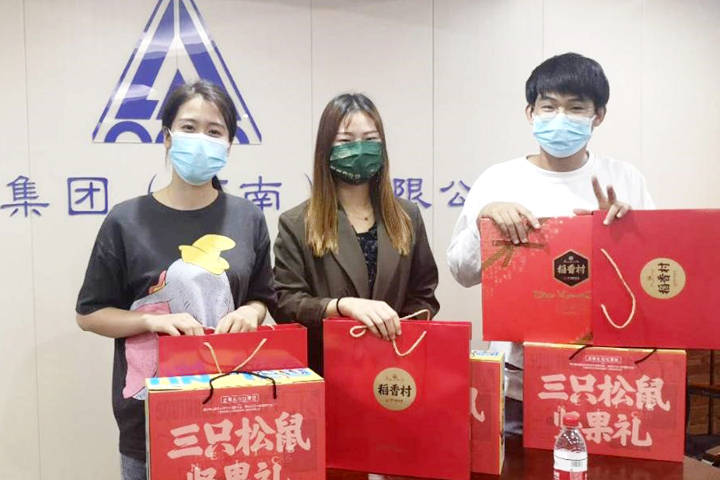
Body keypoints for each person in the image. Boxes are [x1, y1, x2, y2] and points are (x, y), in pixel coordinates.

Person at [75, 80, 276, 480]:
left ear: (229, 145)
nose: (201, 139)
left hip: (232, 413)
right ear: (167, 137)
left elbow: (260, 297)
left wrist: (251, 314)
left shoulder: (248, 218)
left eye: (214, 131)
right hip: (151, 420)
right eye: (188, 127)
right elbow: (90, 314)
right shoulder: (125, 220)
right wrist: (151, 320)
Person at [447, 53, 654, 435]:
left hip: (604, 380)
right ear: (531, 113)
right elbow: (462, 272)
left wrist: (622, 240)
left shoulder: (625, 180)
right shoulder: (498, 179)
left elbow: (651, 282)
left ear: (598, 115)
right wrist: (485, 223)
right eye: (549, 106)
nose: (561, 118)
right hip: (517, 383)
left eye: (575, 108)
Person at [272, 93, 440, 374]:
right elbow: (286, 303)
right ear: (326, 148)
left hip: (394, 367)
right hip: (326, 370)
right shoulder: (297, 223)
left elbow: (424, 294)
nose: (359, 149)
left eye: (370, 139)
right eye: (346, 141)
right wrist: (341, 306)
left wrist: (395, 332)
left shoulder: (407, 215)